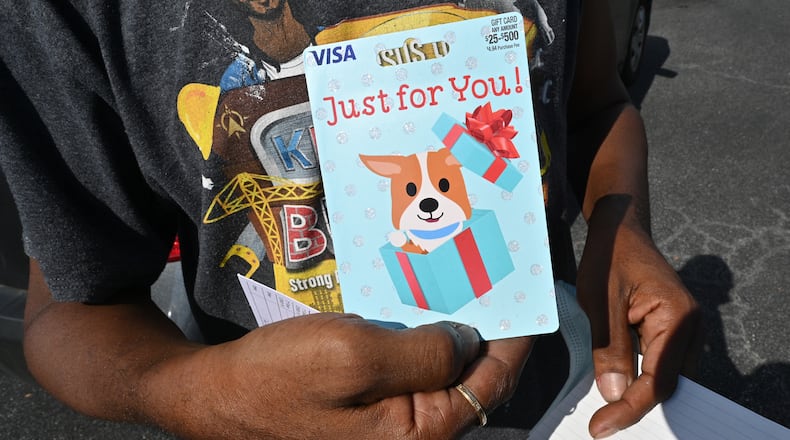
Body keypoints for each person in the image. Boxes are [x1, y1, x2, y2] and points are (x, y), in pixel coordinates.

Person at [0, 0, 700, 438]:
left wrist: (621, 222)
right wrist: (195, 396)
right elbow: (71, 309)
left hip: (553, 400)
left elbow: (599, 103)